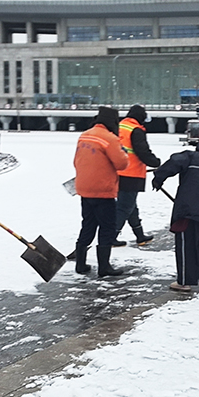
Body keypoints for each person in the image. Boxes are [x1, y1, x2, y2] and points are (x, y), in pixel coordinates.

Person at [151, 136, 199, 292]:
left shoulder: (191, 156)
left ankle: (185, 282)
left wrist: (159, 178)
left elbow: (174, 162)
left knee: (187, 244)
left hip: (189, 210)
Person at [73, 106, 128, 277]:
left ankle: (80, 264)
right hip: (103, 191)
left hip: (84, 189)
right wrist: (124, 153)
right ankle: (104, 267)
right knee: (107, 227)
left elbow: (76, 161)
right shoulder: (110, 138)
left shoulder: (84, 135)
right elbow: (121, 164)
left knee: (88, 225)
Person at [112, 104, 161, 247]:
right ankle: (110, 237)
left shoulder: (119, 127)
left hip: (117, 172)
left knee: (130, 206)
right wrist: (156, 162)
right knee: (124, 207)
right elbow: (143, 151)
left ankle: (140, 236)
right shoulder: (136, 130)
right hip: (131, 174)